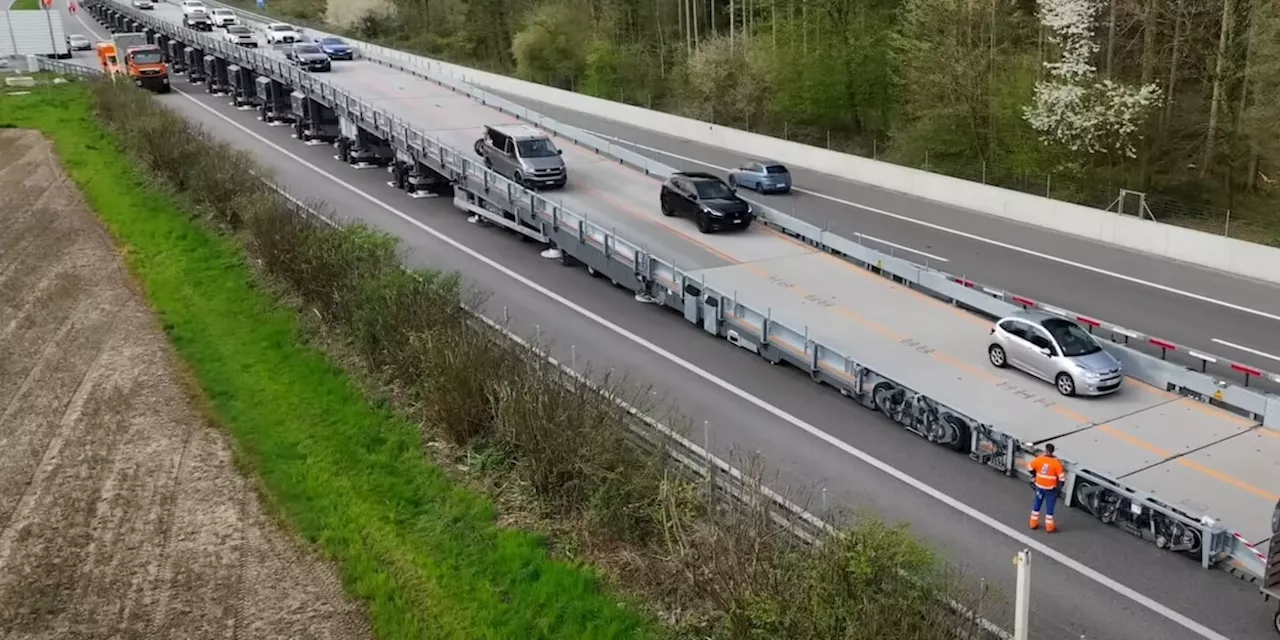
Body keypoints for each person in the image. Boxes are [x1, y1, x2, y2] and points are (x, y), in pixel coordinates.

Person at [1029, 444, 1066, 533]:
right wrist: (1058, 490)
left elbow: (1029, 467)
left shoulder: (1039, 459)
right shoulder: (1057, 463)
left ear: (1045, 450)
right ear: (1053, 451)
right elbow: (1062, 479)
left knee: (1036, 505)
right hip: (1050, 489)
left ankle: (1033, 523)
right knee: (1050, 508)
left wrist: (1035, 474)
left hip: (1039, 486)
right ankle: (1049, 527)